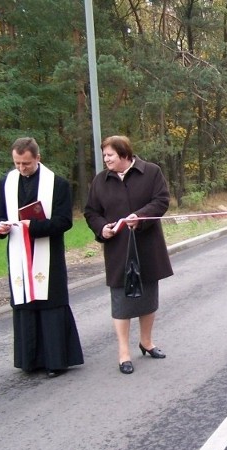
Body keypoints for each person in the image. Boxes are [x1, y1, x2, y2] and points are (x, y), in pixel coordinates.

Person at [0, 137, 84, 378]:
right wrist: (0, 226)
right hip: (19, 252)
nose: (21, 168)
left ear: (38, 158)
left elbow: (64, 222)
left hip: (47, 252)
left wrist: (33, 226)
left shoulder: (58, 184)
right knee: (25, 303)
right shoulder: (7, 182)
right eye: (17, 163)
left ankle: (56, 360)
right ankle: (30, 360)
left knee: (49, 302)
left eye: (27, 163)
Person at [84, 135, 173, 375]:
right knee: (121, 300)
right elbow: (91, 212)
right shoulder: (100, 180)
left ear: (124, 154)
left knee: (148, 297)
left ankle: (146, 341)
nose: (106, 160)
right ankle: (123, 352)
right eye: (104, 155)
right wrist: (102, 228)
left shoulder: (151, 172)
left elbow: (161, 201)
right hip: (118, 248)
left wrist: (140, 216)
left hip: (147, 244)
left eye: (110, 155)